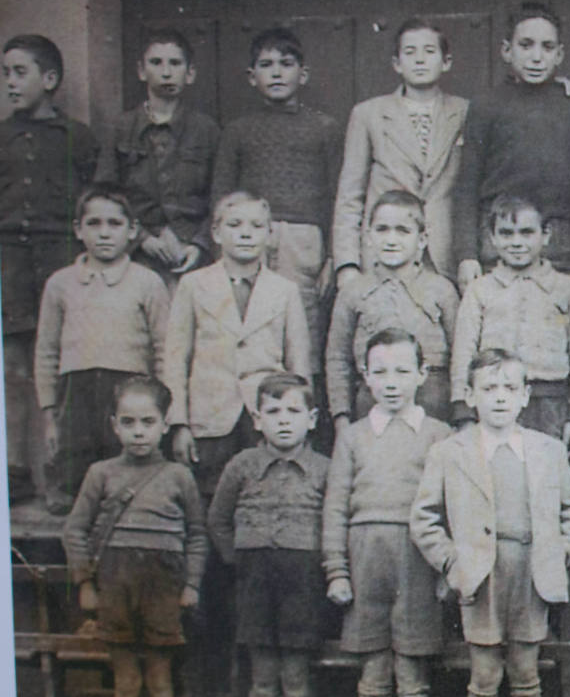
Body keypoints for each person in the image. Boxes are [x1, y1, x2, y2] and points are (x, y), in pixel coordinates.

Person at [411, 349, 570, 697]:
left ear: (526, 395)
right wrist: (452, 562)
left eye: (510, 388)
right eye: (488, 389)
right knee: (484, 677)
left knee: (527, 674)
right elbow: (424, 518)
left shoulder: (546, 451)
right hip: (480, 577)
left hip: (529, 573)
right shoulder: (450, 453)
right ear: (469, 395)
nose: (499, 398)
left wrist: (558, 551)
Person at [62, 375, 209, 697]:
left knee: (160, 678)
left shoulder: (178, 476)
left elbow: (197, 534)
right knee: (126, 680)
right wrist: (85, 582)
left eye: (148, 421)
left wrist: (192, 584)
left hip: (163, 587)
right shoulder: (101, 474)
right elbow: (75, 530)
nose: (139, 431)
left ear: (166, 424)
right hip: (116, 586)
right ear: (114, 425)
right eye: (129, 422)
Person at [322, 328, 452, 697]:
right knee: (373, 665)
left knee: (411, 664)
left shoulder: (439, 434)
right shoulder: (353, 437)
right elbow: (335, 506)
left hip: (417, 556)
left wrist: (445, 569)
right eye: (380, 372)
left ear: (422, 374)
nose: (391, 382)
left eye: (402, 370)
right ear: (365, 377)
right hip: (365, 557)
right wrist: (337, 569)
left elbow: (451, 507)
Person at [207, 372, 330, 697]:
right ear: (257, 419)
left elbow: (334, 526)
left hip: (302, 583)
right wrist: (238, 561)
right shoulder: (241, 466)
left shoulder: (322, 470)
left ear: (312, 419)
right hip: (255, 580)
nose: (283, 421)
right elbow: (218, 521)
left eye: (294, 412)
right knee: (262, 673)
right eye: (273, 412)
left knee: (295, 673)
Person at [1, 34, 99, 504]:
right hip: (10, 264)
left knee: (64, 366)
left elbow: (93, 198)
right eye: (6, 74)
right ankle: (16, 470)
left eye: (20, 72)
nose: (10, 83)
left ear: (51, 79)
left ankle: (61, 473)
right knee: (15, 367)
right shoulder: (1, 136)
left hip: (59, 259)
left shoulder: (77, 138)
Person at [212, 26, 344, 373]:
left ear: (303, 74)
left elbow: (337, 196)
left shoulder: (324, 128)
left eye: (285, 64)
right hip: (251, 237)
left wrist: (333, 254)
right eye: (266, 64)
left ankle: (304, 410)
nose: (276, 72)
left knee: (302, 326)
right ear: (251, 75)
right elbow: (222, 195)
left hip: (303, 241)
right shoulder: (237, 130)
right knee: (252, 323)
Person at [164, 190, 311, 497]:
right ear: (216, 232)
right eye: (235, 225)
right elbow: (176, 359)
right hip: (210, 418)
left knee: (265, 496)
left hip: (265, 417)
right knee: (211, 498)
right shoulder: (193, 285)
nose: (246, 233)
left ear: (270, 234)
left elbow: (299, 363)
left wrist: (297, 422)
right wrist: (179, 423)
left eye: (257, 226)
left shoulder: (284, 290)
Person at [34, 185, 169, 515]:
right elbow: (47, 349)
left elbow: (164, 347)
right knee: (73, 465)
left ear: (132, 230)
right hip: (75, 390)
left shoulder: (147, 281)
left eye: (114, 224)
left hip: (128, 388)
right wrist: (50, 411)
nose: (104, 233)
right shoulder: (61, 283)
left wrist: (165, 405)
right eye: (94, 224)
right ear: (78, 230)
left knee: (124, 465)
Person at [452, 3, 570, 289]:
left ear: (560, 54)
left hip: (560, 242)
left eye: (547, 47)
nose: (536, 57)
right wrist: (467, 254)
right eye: (526, 45)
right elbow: (467, 183)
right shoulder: (486, 105)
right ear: (507, 50)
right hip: (500, 237)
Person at [451, 195, 570, 455]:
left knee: (546, 477)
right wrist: (464, 412)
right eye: (506, 233)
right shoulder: (480, 290)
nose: (516, 242)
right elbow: (464, 352)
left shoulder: (566, 289)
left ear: (546, 235)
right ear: (492, 238)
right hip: (494, 401)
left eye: (526, 233)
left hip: (550, 404)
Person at [333, 18, 469, 285]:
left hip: (443, 256)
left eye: (429, 52)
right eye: (410, 52)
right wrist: (347, 264)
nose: (420, 60)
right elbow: (350, 195)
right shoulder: (368, 114)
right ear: (396, 63)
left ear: (446, 61)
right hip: (384, 253)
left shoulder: (466, 112)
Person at [325, 189, 459, 428]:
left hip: (433, 402)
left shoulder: (441, 290)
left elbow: (460, 356)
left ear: (422, 240)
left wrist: (462, 415)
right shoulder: (353, 292)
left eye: (403, 231)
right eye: (382, 230)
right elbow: (337, 358)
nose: (391, 240)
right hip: (371, 402)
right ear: (368, 236)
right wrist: (342, 417)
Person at [95, 28, 218, 286]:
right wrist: (143, 238)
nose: (166, 72)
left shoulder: (207, 130)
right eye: (156, 62)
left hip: (194, 253)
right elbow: (105, 195)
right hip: (136, 252)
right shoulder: (121, 128)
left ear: (190, 73)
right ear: (141, 71)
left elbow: (219, 196)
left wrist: (198, 244)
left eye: (175, 63)